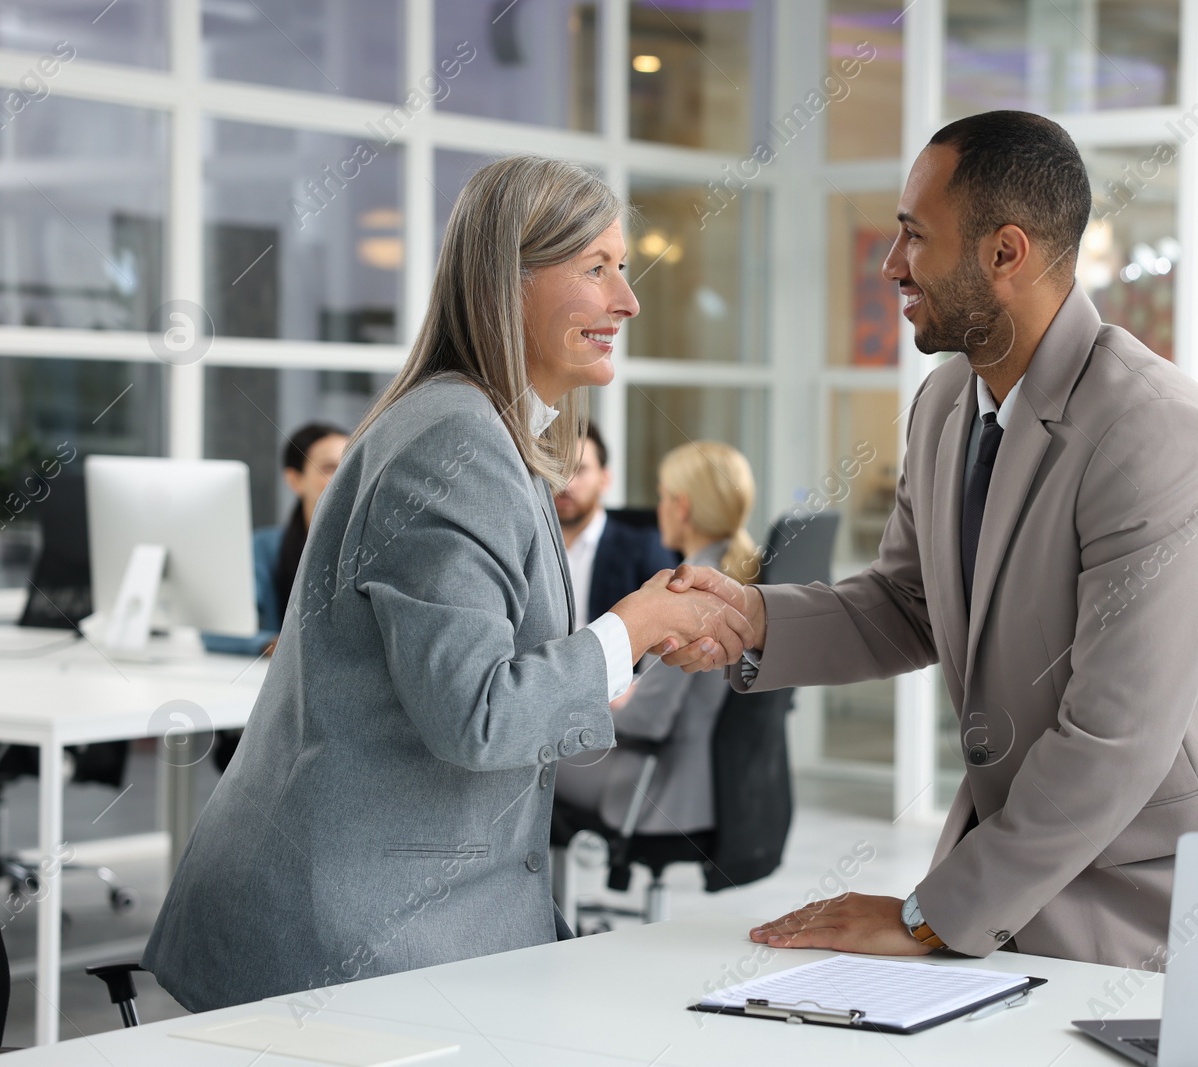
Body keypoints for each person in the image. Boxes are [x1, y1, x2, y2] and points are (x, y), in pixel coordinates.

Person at [664, 111, 1198, 969]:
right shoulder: (943, 408)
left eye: (912, 236)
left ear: (1005, 254)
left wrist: (925, 917)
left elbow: (1115, 738)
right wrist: (751, 619)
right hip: (1036, 875)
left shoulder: (1152, 427)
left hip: (1181, 898)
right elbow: (908, 602)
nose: (891, 264)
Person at [142, 154, 754, 1011]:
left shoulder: (485, 431)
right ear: (509, 282)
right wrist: (630, 628)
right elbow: (478, 714)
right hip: (343, 938)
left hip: (421, 916)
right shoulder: (454, 447)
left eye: (623, 267)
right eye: (596, 268)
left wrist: (623, 646)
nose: (628, 300)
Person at [554, 440, 760, 837]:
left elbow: (647, 720)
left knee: (524, 761)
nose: (658, 509)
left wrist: (596, 698)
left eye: (663, 497)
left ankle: (542, 898)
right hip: (711, 788)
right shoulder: (738, 577)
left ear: (681, 508)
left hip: (654, 789)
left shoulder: (691, 591)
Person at [203, 422, 348, 659]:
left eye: (351, 464)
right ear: (295, 480)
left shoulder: (374, 546)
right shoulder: (265, 547)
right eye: (329, 467)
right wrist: (276, 645)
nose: (344, 476)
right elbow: (216, 630)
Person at [556, 422, 677, 628]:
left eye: (580, 470)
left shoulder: (642, 549)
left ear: (604, 479)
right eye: (556, 469)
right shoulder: (527, 548)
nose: (566, 483)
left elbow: (670, 621)